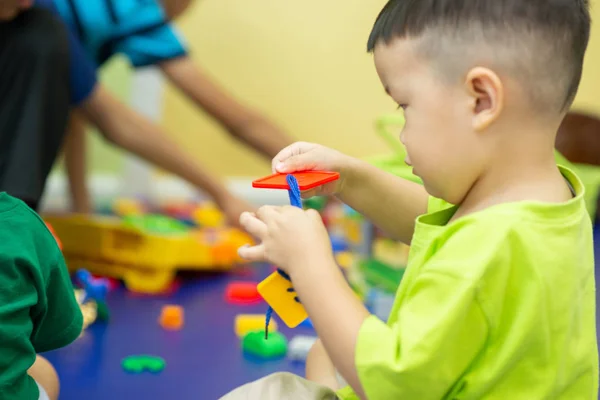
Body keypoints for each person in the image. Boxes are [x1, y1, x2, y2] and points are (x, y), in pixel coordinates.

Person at [223, 0, 598, 399]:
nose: (402, 132)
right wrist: (350, 178)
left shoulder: (484, 251)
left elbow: (390, 383)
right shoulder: (544, 202)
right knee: (322, 355)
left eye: (405, 106)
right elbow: (435, 221)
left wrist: (308, 263)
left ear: (481, 100)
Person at [52, 0, 293, 216]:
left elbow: (78, 101)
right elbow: (241, 121)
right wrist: (224, 197)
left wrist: (81, 208)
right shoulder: (136, 11)